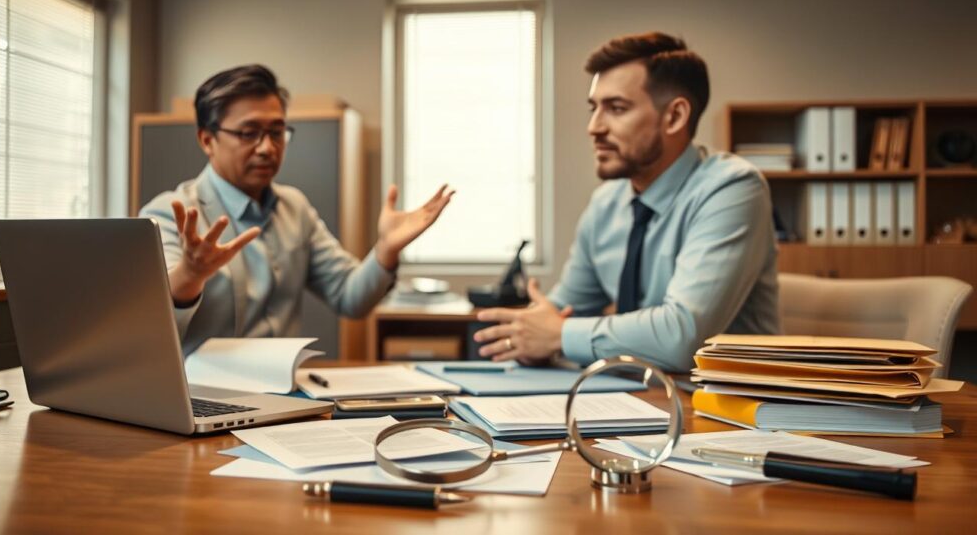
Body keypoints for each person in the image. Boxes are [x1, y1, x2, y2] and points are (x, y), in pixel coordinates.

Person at [473, 32, 780, 372]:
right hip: (630, 397)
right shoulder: (606, 204)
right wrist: (530, 340)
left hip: (719, 409)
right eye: (593, 108)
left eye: (616, 108)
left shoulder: (733, 189)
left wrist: (559, 335)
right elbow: (563, 313)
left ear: (675, 117)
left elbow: (682, 337)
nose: (594, 127)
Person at [141, 64, 453, 354]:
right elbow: (151, 326)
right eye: (249, 133)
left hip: (284, 395)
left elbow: (350, 298)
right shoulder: (171, 214)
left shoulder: (294, 207)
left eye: (277, 132)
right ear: (207, 139)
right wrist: (190, 275)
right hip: (201, 399)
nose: (267, 148)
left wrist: (385, 250)